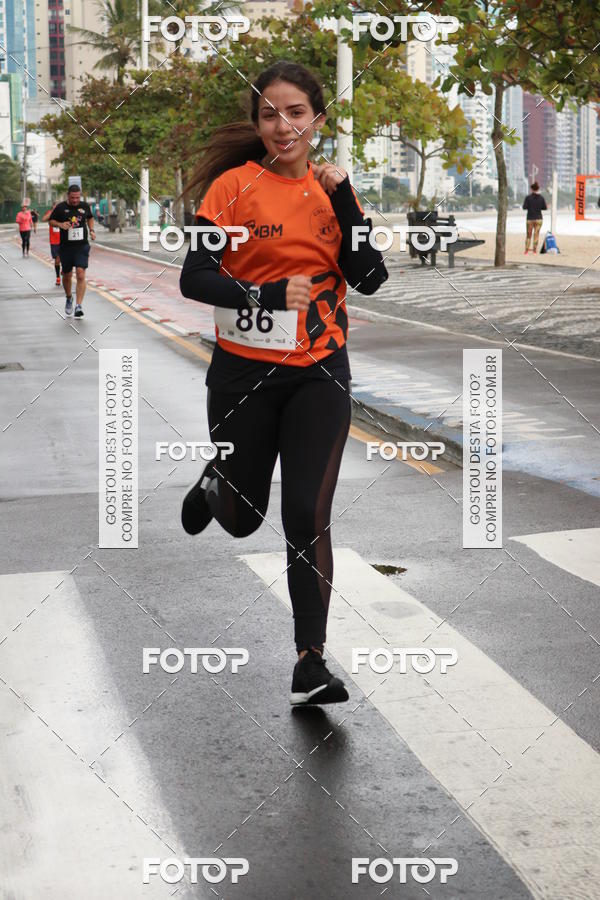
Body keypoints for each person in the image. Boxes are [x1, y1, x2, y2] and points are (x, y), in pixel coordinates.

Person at [179, 61, 389, 706]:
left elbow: (370, 276)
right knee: (244, 521)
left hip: (320, 372)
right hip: (243, 374)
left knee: (307, 513)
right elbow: (194, 277)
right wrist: (266, 294)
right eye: (269, 114)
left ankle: (311, 661)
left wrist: (345, 198)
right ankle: (217, 481)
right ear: (256, 122)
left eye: (296, 112)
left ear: (316, 120)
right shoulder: (232, 188)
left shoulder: (334, 193)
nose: (283, 125)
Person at [49, 185, 95, 317]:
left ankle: (78, 306)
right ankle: (69, 297)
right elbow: (51, 221)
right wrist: (60, 224)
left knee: (80, 274)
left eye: (77, 197)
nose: (75, 200)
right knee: (67, 275)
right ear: (68, 195)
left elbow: (90, 218)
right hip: (66, 247)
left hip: (81, 246)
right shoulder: (61, 207)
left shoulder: (84, 206)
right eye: (73, 198)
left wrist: (92, 230)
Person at [523, 181, 547, 254]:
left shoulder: (528, 198)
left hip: (530, 218)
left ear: (532, 189)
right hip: (539, 219)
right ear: (538, 189)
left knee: (528, 235)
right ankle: (534, 250)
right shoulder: (541, 198)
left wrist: (530, 206)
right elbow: (544, 208)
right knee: (536, 235)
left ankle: (526, 250)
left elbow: (524, 207)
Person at [42, 202, 62, 285]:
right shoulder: (50, 213)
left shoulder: (63, 212)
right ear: (53, 206)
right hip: (54, 241)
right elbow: (43, 219)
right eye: (55, 205)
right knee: (57, 259)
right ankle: (58, 277)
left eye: (58, 206)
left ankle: (64, 270)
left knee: (65, 258)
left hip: (64, 240)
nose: (56, 207)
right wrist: (53, 211)